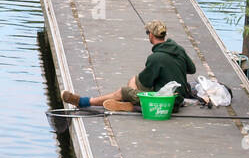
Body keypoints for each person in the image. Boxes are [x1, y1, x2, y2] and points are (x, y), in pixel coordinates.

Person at [63, 20, 196, 113]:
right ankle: (132, 105)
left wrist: (134, 86)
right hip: (178, 99)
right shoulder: (179, 49)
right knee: (135, 84)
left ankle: (83, 102)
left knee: (126, 89)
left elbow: (145, 82)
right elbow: (192, 69)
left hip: (165, 104)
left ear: (150, 35)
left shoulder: (155, 58)